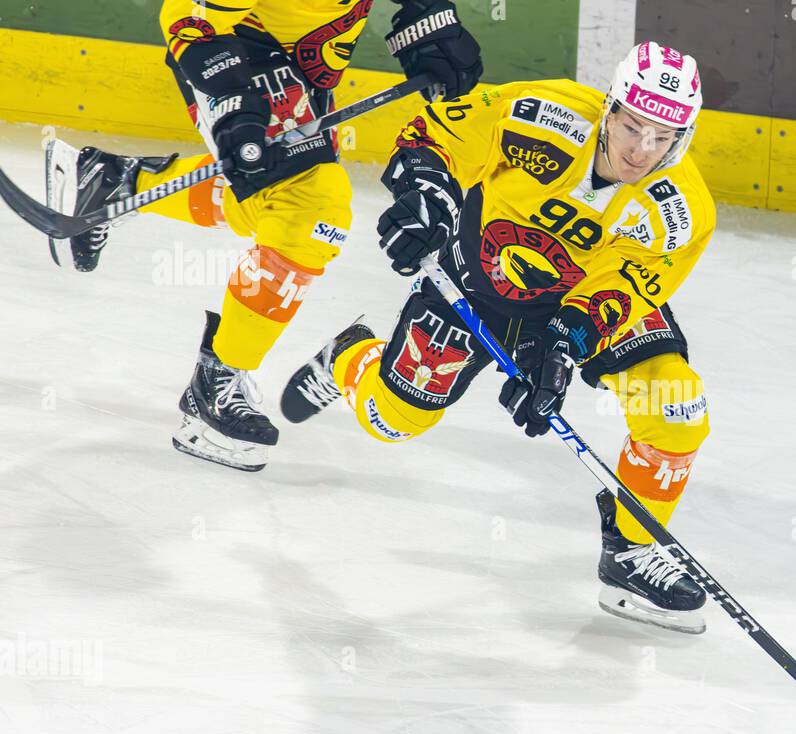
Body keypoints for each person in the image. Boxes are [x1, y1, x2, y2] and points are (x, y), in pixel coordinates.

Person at [281, 42, 716, 633]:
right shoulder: (542, 115)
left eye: (663, 136)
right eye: (632, 126)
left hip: (575, 302)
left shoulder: (682, 211)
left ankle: (632, 553)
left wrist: (562, 345)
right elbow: (434, 133)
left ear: (683, 138)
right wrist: (429, 194)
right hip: (473, 283)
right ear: (609, 110)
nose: (642, 149)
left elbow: (627, 290)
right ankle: (349, 355)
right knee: (390, 421)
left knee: (677, 407)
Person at [42, 0, 483, 471]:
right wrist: (232, 100)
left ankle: (110, 183)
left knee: (274, 194)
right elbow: (191, 14)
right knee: (313, 208)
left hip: (303, 63)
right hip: (235, 52)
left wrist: (427, 19)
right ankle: (216, 381)